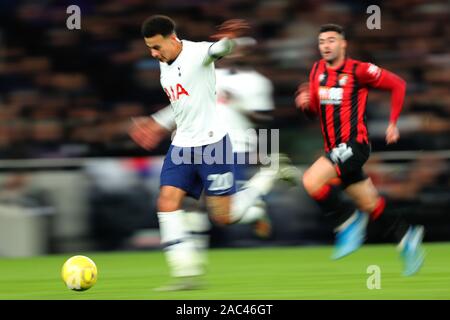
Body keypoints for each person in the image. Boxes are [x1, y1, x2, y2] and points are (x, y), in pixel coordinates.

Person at [129, 15, 295, 290]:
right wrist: (157, 123)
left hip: (212, 145)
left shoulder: (197, 53)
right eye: (149, 47)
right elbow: (183, 104)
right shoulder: (164, 64)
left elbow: (220, 50)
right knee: (167, 202)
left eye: (157, 47)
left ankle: (269, 175)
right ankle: (185, 273)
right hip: (182, 145)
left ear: (172, 38)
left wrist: (228, 40)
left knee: (224, 217)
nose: (153, 53)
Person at [295, 24, 425, 276]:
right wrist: (305, 104)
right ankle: (406, 238)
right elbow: (314, 111)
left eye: (332, 40)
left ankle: (347, 222)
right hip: (335, 148)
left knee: (311, 180)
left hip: (355, 145)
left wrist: (393, 122)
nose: (326, 45)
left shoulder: (360, 70)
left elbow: (398, 84)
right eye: (322, 41)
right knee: (371, 204)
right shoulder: (317, 71)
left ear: (343, 44)